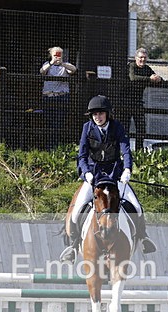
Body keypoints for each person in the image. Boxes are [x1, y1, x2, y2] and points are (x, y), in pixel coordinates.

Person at [59, 95, 156, 263]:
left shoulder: (117, 127)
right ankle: (73, 246)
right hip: (94, 176)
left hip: (114, 175)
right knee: (76, 211)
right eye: (95, 114)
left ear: (107, 114)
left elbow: (126, 150)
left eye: (101, 114)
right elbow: (81, 155)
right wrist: (86, 172)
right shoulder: (87, 128)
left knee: (137, 207)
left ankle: (143, 237)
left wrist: (127, 169)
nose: (98, 117)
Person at [40, 46, 77, 148]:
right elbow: (42, 71)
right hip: (48, 97)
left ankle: (57, 146)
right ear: (51, 55)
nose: (57, 57)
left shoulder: (65, 65)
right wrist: (52, 62)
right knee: (48, 121)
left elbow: (73, 70)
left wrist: (62, 63)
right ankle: (48, 145)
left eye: (59, 55)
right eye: (55, 55)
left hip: (61, 97)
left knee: (59, 121)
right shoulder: (47, 65)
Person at [126, 47, 162, 143]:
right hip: (126, 102)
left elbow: (156, 77)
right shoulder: (131, 66)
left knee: (141, 129)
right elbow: (133, 78)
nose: (143, 60)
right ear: (136, 58)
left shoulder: (147, 69)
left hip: (138, 102)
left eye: (145, 58)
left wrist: (158, 78)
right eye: (141, 57)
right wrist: (149, 79)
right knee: (125, 128)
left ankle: (139, 151)